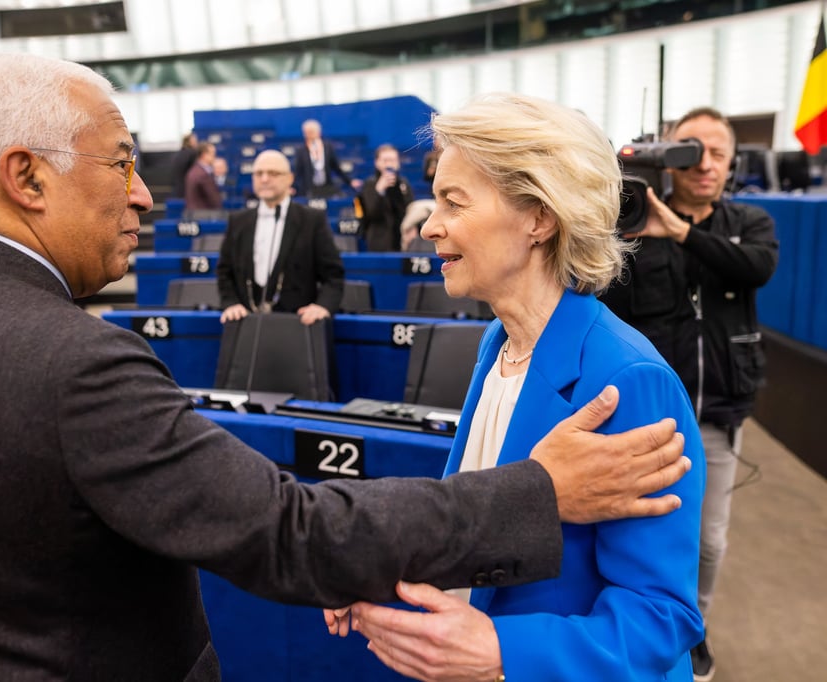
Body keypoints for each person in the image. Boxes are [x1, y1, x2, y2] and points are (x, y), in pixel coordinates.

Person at [0, 54, 691, 682]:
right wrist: (401, 561)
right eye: (123, 161)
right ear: (27, 178)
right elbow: (288, 533)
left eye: (452, 203)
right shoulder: (74, 363)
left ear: (537, 218)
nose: (145, 189)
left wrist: (480, 639)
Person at [325, 93, 706, 681]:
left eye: (454, 202)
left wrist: (504, 651)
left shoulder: (630, 381)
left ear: (539, 218)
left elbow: (662, 617)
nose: (429, 225)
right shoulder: (496, 341)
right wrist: (379, 564)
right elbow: (479, 509)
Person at [599, 106, 779, 681]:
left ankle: (692, 629)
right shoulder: (633, 224)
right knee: (643, 534)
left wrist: (682, 234)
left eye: (718, 153)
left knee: (708, 542)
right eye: (691, 150)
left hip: (719, 411)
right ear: (668, 157)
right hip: (648, 417)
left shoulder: (749, 221)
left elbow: (755, 268)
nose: (706, 164)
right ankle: (647, 635)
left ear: (731, 163)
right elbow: (604, 301)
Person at [217, 149, 343, 325]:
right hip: (245, 324)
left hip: (297, 325)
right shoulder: (238, 221)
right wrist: (230, 304)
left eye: (273, 173)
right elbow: (224, 272)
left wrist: (323, 306)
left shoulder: (312, 220)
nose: (265, 179)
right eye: (259, 173)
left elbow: (334, 277)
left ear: (290, 179)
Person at [360, 143, 414, 251]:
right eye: (385, 160)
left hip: (402, 240)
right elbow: (370, 214)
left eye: (393, 160)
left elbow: (410, 209)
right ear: (377, 163)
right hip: (379, 242)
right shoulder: (370, 184)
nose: (389, 164)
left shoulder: (403, 183)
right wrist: (379, 191)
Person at [293, 118, 362, 198]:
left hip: (326, 187)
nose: (309, 135)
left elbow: (336, 168)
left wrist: (350, 181)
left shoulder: (328, 147)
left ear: (319, 132)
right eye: (307, 132)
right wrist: (293, 187)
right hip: (309, 189)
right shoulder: (301, 151)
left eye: (311, 132)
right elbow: (298, 172)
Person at [183, 141, 223, 212]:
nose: (214, 156)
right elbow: (214, 199)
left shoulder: (194, 170)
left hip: (194, 212)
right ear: (204, 155)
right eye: (212, 153)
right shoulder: (202, 174)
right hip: (202, 214)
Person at [169, 131, 197, 198]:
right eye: (195, 140)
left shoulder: (177, 154)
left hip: (178, 188)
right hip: (190, 190)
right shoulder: (193, 154)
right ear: (190, 141)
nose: (196, 142)